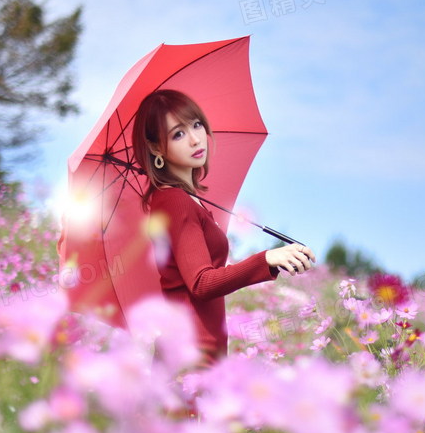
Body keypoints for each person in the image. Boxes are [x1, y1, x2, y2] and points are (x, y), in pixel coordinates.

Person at [131, 89, 315, 364]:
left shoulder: (185, 200)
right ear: (157, 148)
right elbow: (201, 282)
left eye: (196, 125)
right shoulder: (175, 201)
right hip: (190, 354)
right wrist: (266, 258)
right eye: (178, 134)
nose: (195, 139)